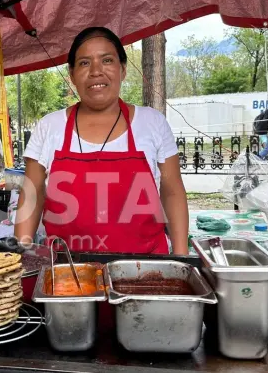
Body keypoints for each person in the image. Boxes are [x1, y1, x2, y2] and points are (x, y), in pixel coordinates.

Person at [14, 27, 189, 255]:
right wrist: (21, 256)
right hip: (67, 270)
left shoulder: (152, 122)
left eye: (107, 60)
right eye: (85, 63)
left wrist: (182, 255)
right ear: (72, 74)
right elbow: (32, 194)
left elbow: (172, 190)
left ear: (123, 69)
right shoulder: (49, 126)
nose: (96, 71)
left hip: (145, 268)